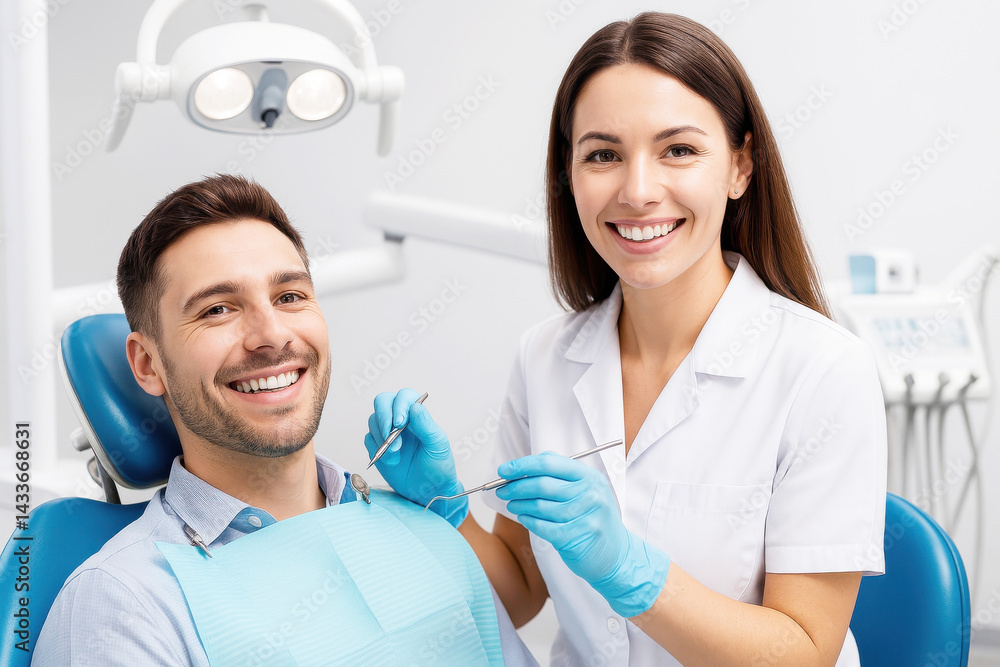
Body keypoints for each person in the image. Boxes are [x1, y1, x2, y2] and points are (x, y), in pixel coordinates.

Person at [366, 12, 887, 666]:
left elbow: (806, 649)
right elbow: (524, 588)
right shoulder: (544, 357)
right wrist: (444, 508)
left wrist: (630, 570)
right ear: (570, 173)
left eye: (679, 150)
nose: (637, 191)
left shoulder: (823, 370)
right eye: (604, 154)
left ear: (740, 166)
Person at [33, 175, 535, 666]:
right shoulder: (122, 605)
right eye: (217, 309)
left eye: (289, 297)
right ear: (148, 364)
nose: (271, 335)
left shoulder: (425, 530)